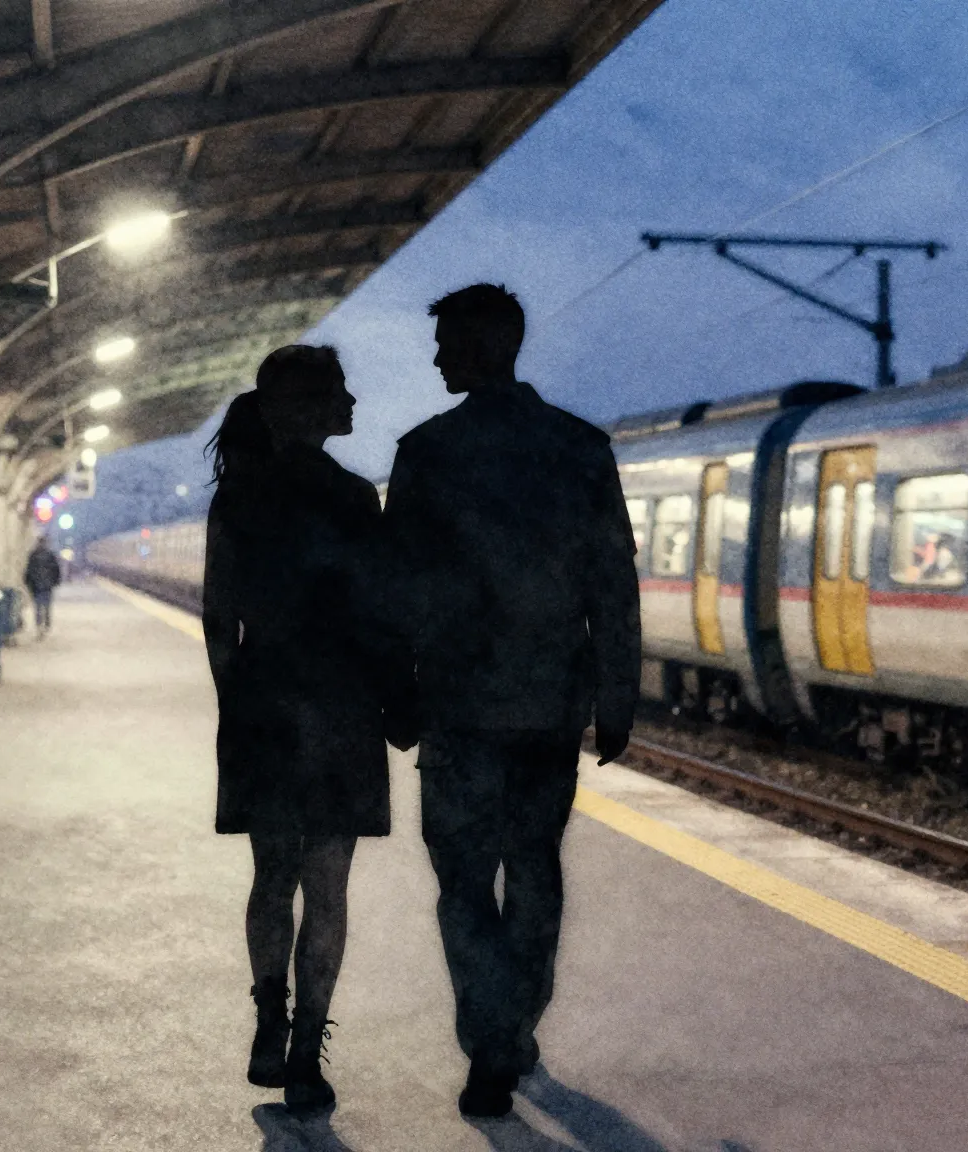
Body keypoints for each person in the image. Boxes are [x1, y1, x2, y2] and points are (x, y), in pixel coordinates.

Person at [382, 284, 640, 1119]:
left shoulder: (426, 452)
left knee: (463, 884)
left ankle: (490, 1042)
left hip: (458, 709)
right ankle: (512, 1030)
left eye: (449, 342)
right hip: (548, 708)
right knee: (533, 872)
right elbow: (614, 582)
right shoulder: (579, 447)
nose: (438, 358)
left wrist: (397, 691)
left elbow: (400, 589)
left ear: (491, 344)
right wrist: (617, 693)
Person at [201, 345, 409, 1113]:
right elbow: (380, 615)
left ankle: (267, 1019)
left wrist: (234, 706)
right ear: (306, 407)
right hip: (342, 707)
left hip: (264, 703)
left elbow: (220, 617)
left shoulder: (238, 497)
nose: (351, 403)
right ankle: (306, 1054)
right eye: (338, 393)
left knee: (272, 877)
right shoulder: (356, 500)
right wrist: (398, 700)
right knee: (327, 888)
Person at [23, 537, 62, 638]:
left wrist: (27, 582)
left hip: (36, 586)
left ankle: (39, 625)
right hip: (47, 586)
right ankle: (46, 625)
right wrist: (56, 581)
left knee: (38, 607)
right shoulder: (50, 555)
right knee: (47, 607)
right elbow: (56, 569)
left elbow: (28, 570)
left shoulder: (33, 554)